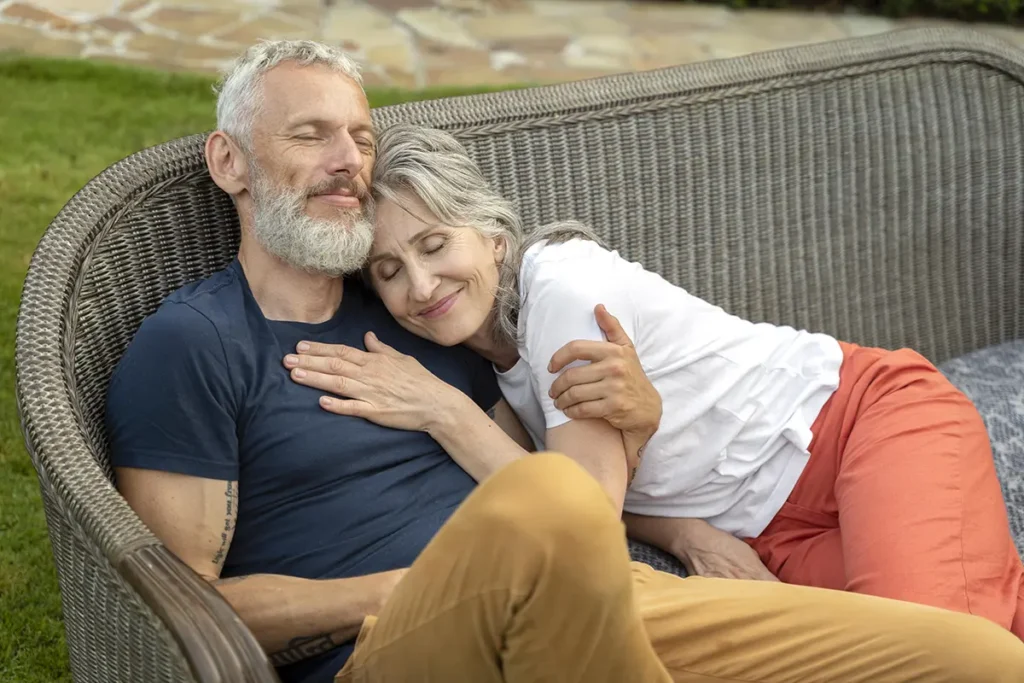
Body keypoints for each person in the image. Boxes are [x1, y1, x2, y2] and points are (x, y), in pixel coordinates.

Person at [105, 38, 1024, 683]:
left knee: (975, 660)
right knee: (543, 502)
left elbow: (553, 472)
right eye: (311, 134)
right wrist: (409, 587)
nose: (348, 159)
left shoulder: (421, 323)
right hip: (403, 643)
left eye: (361, 137)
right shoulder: (198, 342)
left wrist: (668, 519)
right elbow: (178, 601)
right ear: (228, 161)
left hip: (601, 595)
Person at [288, 120, 1024, 642]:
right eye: (389, 271)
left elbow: (578, 507)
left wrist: (443, 412)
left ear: (492, 233)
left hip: (857, 425)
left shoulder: (561, 287)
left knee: (943, 645)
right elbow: (569, 489)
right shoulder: (489, 361)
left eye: (434, 243)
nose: (420, 283)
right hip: (773, 529)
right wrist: (681, 529)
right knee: (952, 632)